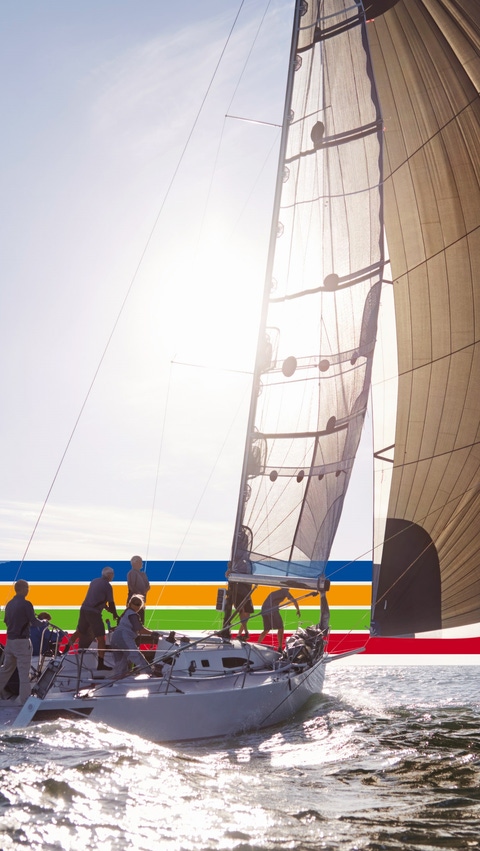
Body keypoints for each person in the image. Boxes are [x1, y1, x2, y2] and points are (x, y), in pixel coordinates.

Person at [0, 580, 46, 705]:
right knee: (24, 673)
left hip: (10, 641)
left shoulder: (9, 604)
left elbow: (6, 621)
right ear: (22, 589)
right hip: (22, 642)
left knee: (6, 669)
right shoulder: (26, 604)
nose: (28, 590)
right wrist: (44, 623)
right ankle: (25, 701)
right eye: (27, 587)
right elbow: (34, 621)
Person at [75, 567, 119, 670]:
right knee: (101, 638)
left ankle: (63, 652)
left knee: (79, 631)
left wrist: (106, 608)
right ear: (109, 575)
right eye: (112, 574)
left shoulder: (94, 581)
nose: (113, 576)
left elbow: (96, 598)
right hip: (93, 613)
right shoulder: (108, 586)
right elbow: (111, 603)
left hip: (84, 609)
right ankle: (100, 664)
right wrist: (115, 614)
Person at [109, 595, 158, 679]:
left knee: (120, 663)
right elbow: (139, 629)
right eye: (136, 604)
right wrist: (153, 633)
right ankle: (150, 675)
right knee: (136, 656)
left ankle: (118, 680)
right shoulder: (132, 614)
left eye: (139, 604)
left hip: (115, 638)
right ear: (130, 604)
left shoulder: (125, 613)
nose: (137, 606)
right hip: (123, 637)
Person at [126, 555, 150, 623]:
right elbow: (131, 586)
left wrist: (143, 593)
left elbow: (148, 586)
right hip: (134, 601)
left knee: (141, 619)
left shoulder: (143, 574)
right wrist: (139, 594)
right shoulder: (131, 573)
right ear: (134, 563)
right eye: (140, 562)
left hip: (141, 601)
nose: (141, 564)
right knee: (133, 619)